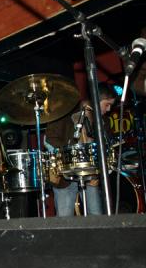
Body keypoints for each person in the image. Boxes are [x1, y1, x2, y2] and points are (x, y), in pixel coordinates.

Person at [45, 83, 117, 216]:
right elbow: (49, 139)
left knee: (96, 217)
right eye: (107, 104)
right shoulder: (65, 112)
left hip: (91, 176)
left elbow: (106, 149)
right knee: (65, 219)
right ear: (96, 99)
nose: (109, 109)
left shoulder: (103, 121)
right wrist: (69, 154)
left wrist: (100, 174)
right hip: (65, 175)